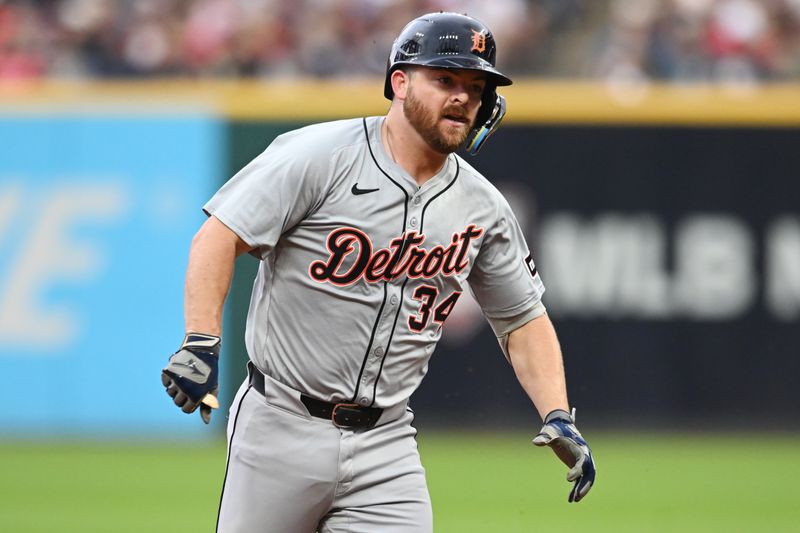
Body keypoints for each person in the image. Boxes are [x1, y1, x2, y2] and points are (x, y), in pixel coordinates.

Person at [161, 11, 596, 533]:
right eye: (445, 79)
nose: (462, 96)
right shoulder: (321, 156)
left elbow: (522, 318)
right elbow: (219, 235)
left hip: (387, 443)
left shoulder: (482, 206)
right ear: (399, 82)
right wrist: (201, 341)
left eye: (475, 86)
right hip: (279, 426)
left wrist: (558, 413)